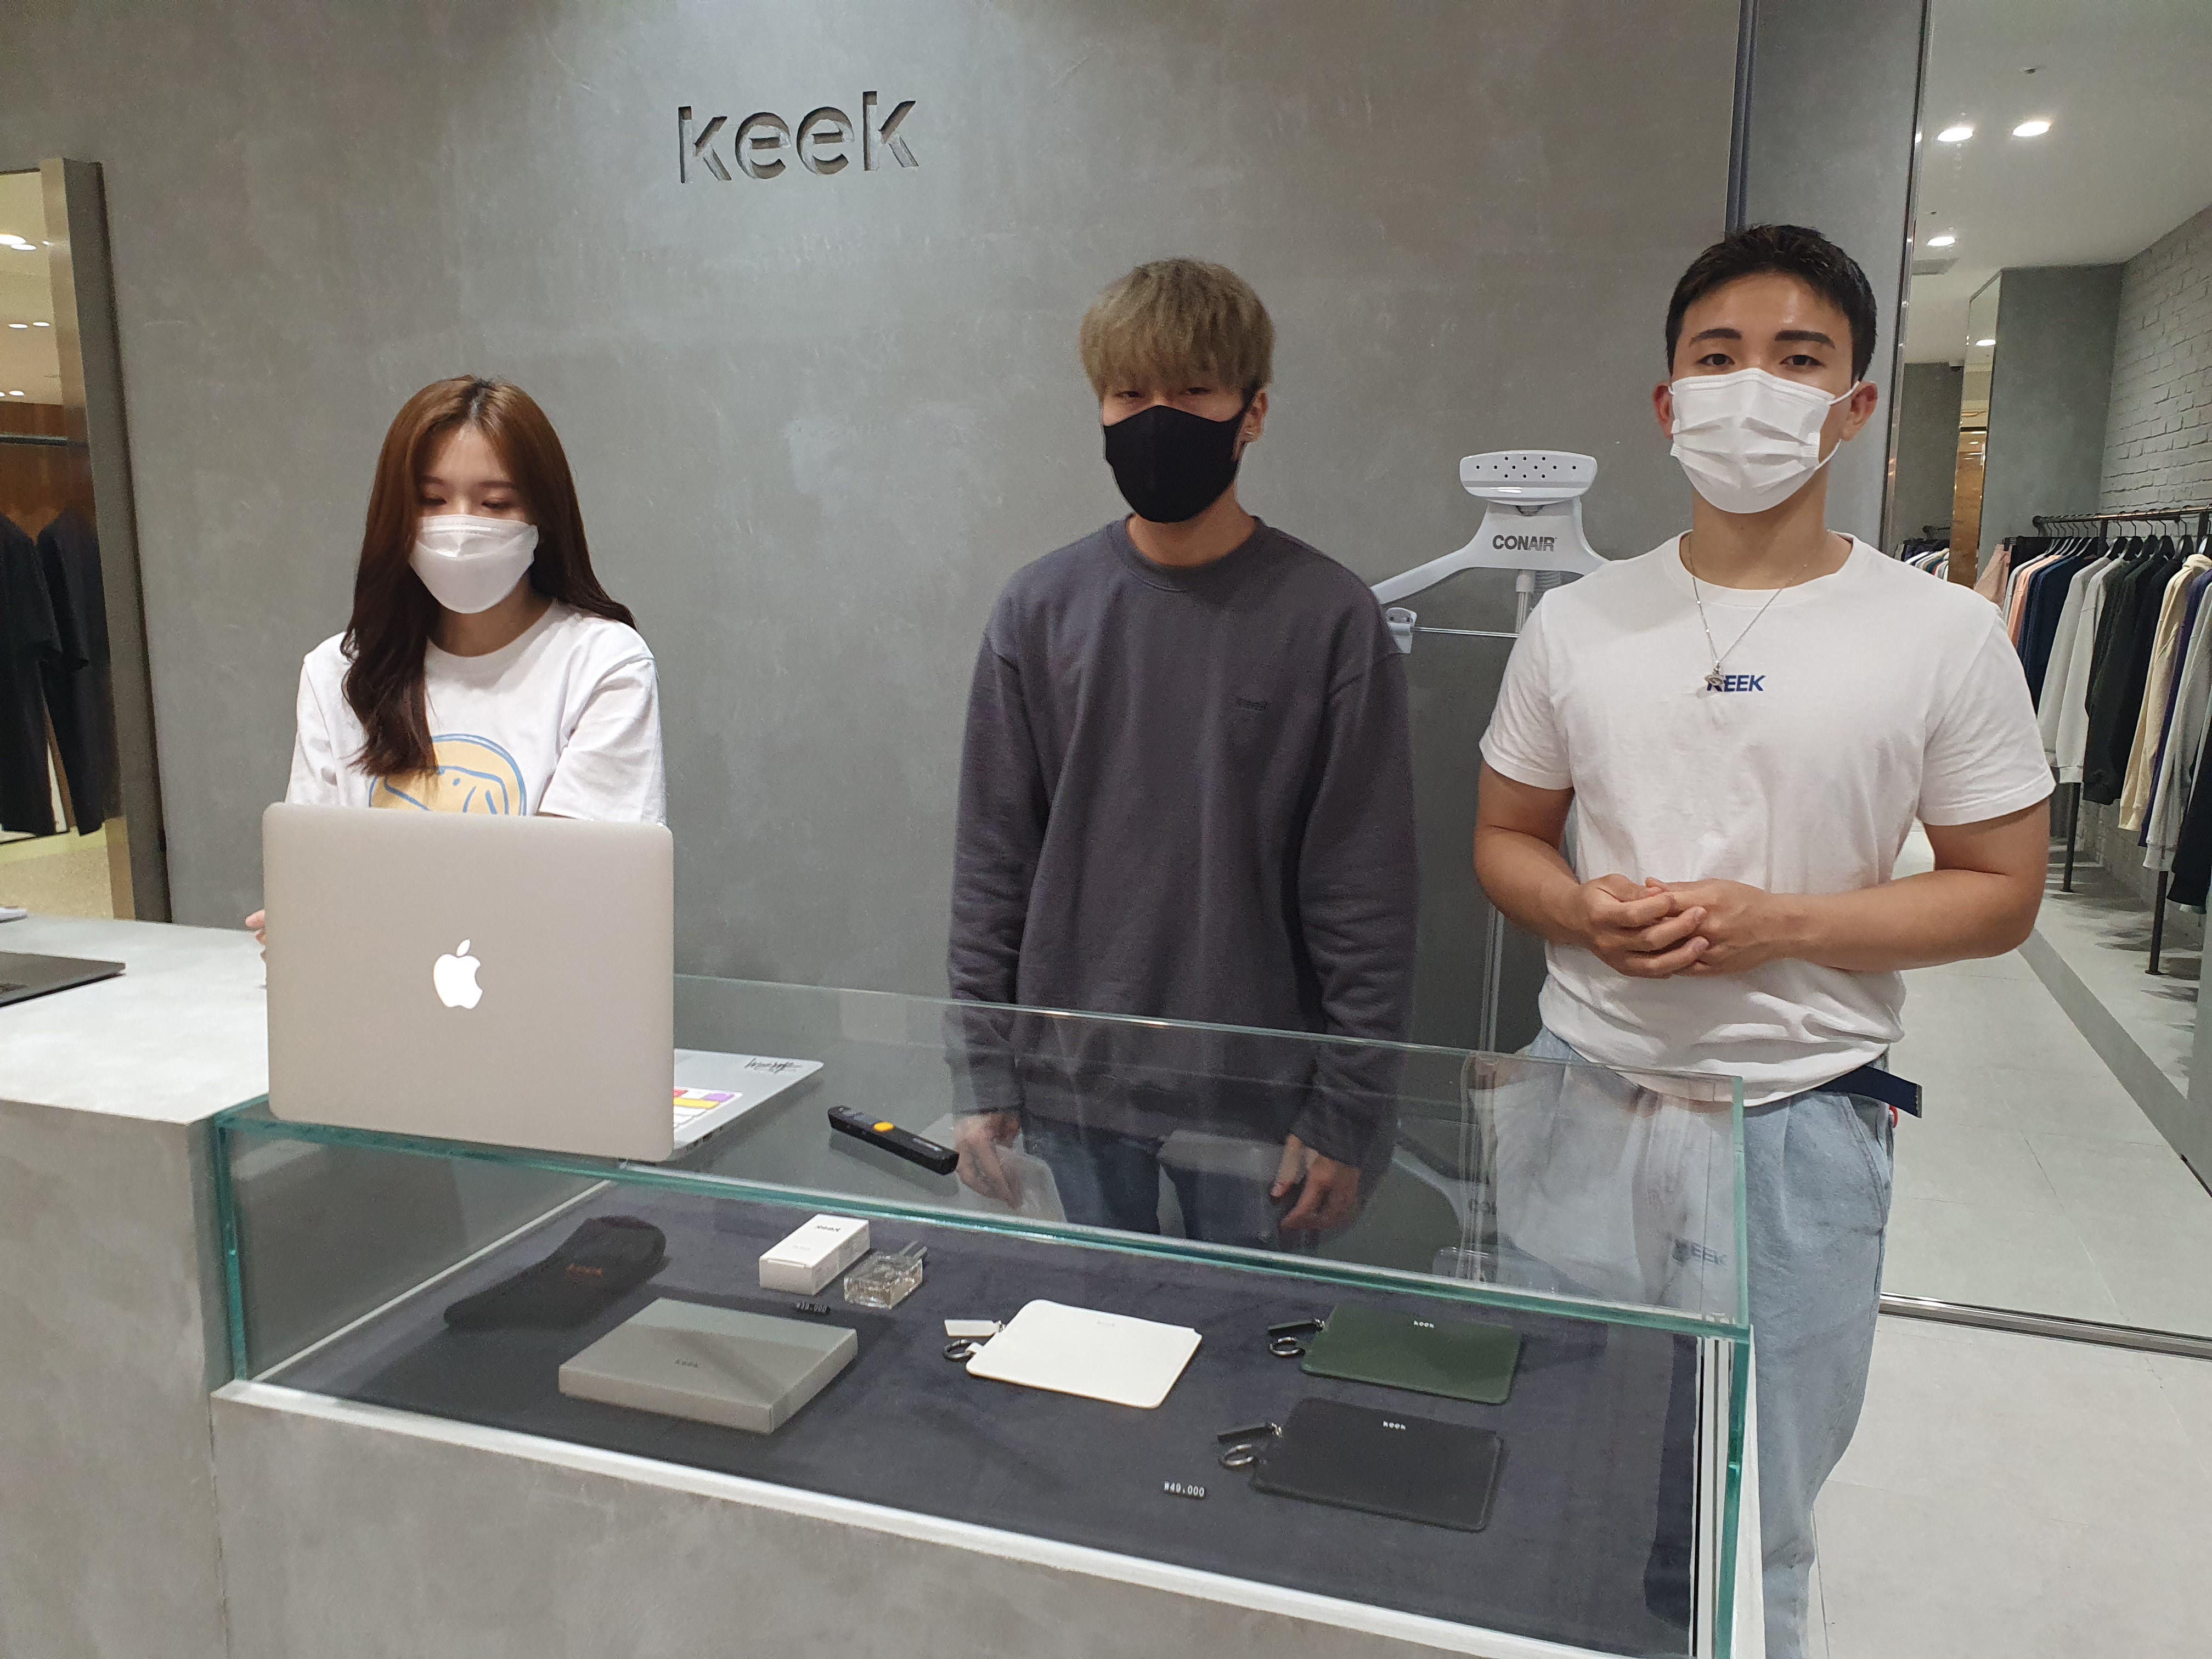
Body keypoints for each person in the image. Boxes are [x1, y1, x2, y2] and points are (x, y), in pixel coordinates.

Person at [1473, 225, 2050, 1659]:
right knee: (1552, 1472)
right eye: (1717, 356)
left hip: (1798, 1124)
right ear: (1667, 400)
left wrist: (1779, 927)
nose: (1753, 388)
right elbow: (1504, 839)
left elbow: (2001, 891)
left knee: (1755, 1510)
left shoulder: (1943, 634)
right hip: (1581, 1097)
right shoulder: (1579, 624)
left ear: (1854, 406)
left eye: (1799, 360)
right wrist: (1580, 910)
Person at [946, 257, 1418, 1244]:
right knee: (1082, 1329)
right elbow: (994, 864)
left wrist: (1348, 1110)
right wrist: (982, 1073)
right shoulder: (1039, 610)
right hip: (1070, 1090)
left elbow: (1364, 895)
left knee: (1251, 1337)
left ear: (1253, 411)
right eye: (1130, 392)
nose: (1157, 418)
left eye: (1194, 390)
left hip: (1259, 1106)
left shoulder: (1330, 619)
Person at [247, 376, 663, 940]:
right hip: (378, 989)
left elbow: (574, 900)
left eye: (496, 504)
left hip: (533, 987)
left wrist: (356, 918)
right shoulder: (339, 673)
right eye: (431, 501)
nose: (461, 529)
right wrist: (304, 928)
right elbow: (318, 878)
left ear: (543, 517)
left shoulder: (603, 664)